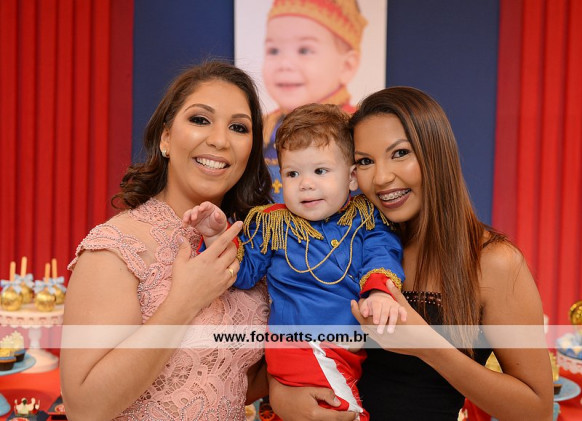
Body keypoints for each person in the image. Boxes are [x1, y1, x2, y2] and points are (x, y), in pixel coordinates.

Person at [268, 87, 554, 420]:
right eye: (365, 161)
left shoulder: (493, 261)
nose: (382, 177)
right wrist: (281, 394)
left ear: (436, 154)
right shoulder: (338, 241)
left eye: (400, 153)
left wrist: (428, 346)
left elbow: (536, 410)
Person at [60, 61, 273, 420]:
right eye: (200, 119)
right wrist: (183, 302)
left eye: (238, 127)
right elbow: (84, 407)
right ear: (166, 138)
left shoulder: (249, 246)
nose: (220, 140)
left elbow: (229, 378)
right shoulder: (118, 246)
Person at [184, 103, 406, 420]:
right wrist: (216, 234)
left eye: (320, 171)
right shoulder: (273, 224)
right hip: (303, 345)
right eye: (292, 173)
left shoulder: (365, 219)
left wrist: (380, 293)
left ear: (352, 177)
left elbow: (382, 254)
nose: (305, 183)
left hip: (346, 350)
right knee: (348, 413)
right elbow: (243, 274)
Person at [261, 0, 367, 202]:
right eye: (274, 51)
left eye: (304, 50)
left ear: (347, 65)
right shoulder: (264, 130)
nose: (285, 64)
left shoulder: (356, 129)